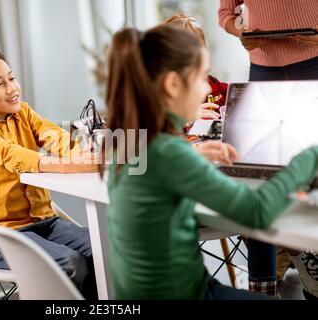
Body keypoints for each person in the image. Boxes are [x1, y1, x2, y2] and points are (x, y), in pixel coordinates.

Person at [102, 24, 318, 299]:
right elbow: (257, 211)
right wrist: (310, 155)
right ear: (172, 84)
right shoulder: (169, 152)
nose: (207, 86)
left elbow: (157, 174)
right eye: (201, 77)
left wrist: (193, 155)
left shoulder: (131, 141)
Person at [0, 46, 97, 299]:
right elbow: (11, 155)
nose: (12, 88)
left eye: (12, 78)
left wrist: (83, 151)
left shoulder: (24, 113)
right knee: (71, 263)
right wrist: (68, 165)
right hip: (3, 236)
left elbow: (55, 137)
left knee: (103, 251)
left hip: (46, 223)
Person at [219, 0, 318, 299]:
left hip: (314, 63)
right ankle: (262, 288)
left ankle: (308, 262)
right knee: (258, 179)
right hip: (263, 70)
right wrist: (241, 30)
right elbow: (226, 14)